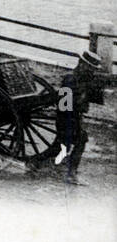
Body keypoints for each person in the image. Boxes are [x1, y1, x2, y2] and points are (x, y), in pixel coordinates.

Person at [43, 49, 107, 185]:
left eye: (93, 69)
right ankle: (70, 173)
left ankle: (35, 163)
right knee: (78, 142)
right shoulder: (70, 79)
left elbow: (94, 99)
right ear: (82, 64)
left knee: (60, 146)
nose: (92, 71)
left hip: (74, 118)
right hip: (66, 118)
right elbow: (63, 105)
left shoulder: (84, 80)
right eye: (90, 68)